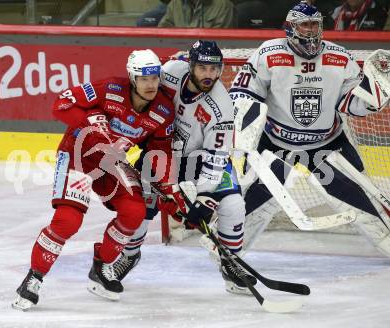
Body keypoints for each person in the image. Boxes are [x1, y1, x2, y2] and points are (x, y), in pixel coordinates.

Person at [12, 49, 176, 309]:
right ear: (133, 78)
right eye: (144, 79)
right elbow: (62, 104)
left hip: (111, 163)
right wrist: (91, 131)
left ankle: (101, 266)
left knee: (134, 211)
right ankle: (34, 278)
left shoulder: (164, 111)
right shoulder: (109, 89)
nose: (151, 85)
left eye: (155, 78)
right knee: (68, 220)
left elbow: (159, 152)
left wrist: (169, 189)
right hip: (78, 155)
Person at [229, 1, 390, 255]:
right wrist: (242, 130)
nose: (311, 31)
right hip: (276, 145)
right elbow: (243, 92)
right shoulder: (268, 53)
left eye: (315, 24)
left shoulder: (339, 57)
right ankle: (229, 249)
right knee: (255, 203)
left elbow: (352, 102)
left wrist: (374, 100)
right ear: (291, 27)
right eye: (305, 25)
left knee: (364, 202)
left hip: (327, 146)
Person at [118, 40, 257, 295]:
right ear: (190, 65)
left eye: (214, 69)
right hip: (164, 154)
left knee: (233, 205)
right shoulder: (170, 71)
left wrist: (202, 199)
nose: (209, 75)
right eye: (203, 68)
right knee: (138, 201)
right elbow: (143, 91)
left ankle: (231, 263)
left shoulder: (222, 107)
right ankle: (128, 255)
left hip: (203, 161)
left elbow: (216, 160)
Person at [158, 0, 237, 28]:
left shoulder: (224, 5)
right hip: (179, 57)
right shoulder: (176, 3)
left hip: (209, 60)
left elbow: (221, 42)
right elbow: (162, 34)